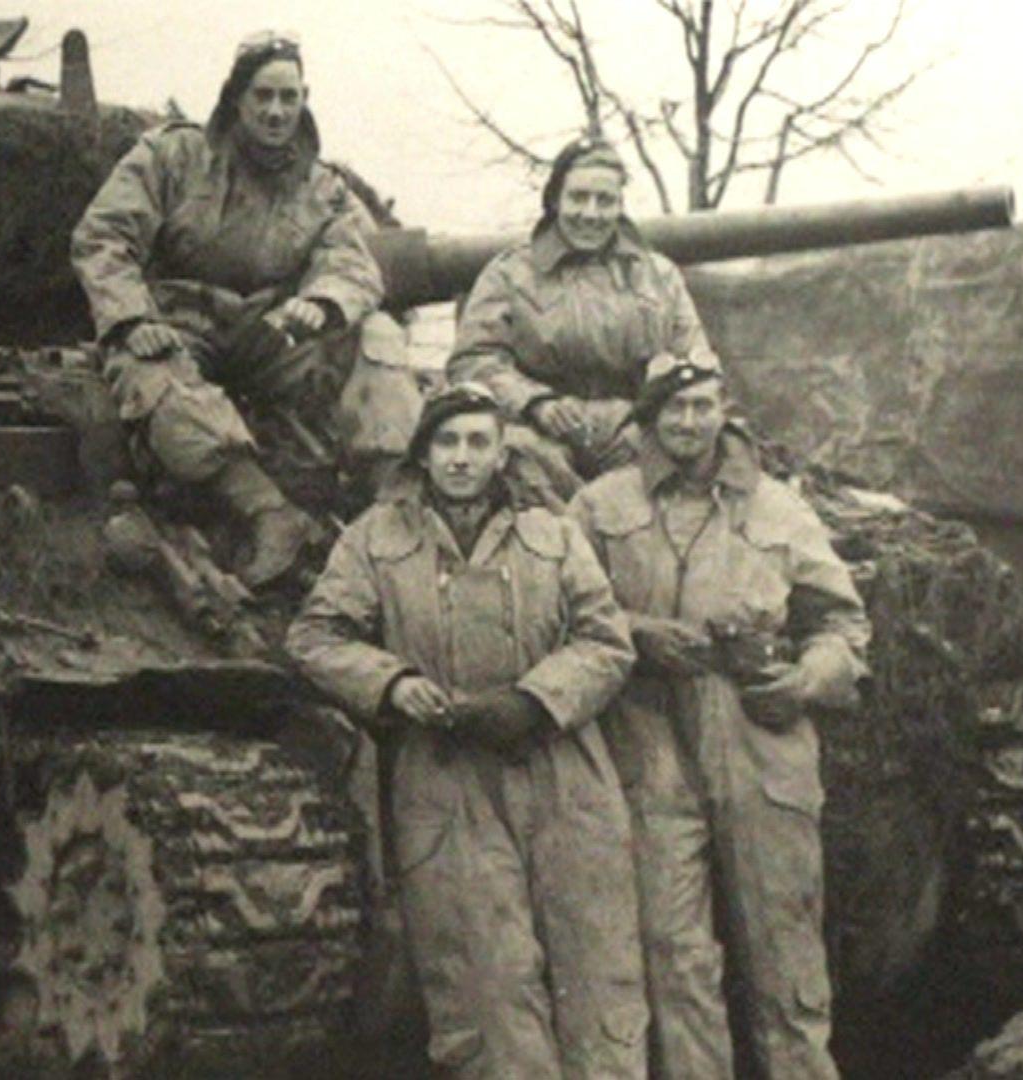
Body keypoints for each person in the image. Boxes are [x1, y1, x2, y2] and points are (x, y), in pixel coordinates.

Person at [286, 384, 648, 1079]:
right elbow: (315, 637)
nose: (461, 458)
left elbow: (609, 642)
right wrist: (392, 683)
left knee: (599, 977)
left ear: (500, 452)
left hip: (563, 772)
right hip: (447, 780)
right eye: (447, 443)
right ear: (423, 453)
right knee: (486, 985)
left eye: (478, 442)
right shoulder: (376, 538)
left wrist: (535, 700)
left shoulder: (553, 534)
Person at [567, 353, 869, 1079]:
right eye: (673, 409)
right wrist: (642, 635)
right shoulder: (599, 508)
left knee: (784, 946)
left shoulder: (777, 508)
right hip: (649, 738)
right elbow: (566, 612)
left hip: (760, 735)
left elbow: (843, 625)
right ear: (648, 417)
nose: (689, 421)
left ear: (723, 409)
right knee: (674, 955)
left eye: (702, 406)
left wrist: (804, 681)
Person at [71, 30, 421, 587]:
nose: (276, 111)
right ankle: (267, 511)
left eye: (289, 97)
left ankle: (400, 506)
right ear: (236, 98)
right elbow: (103, 237)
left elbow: (355, 263)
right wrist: (132, 317)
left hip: (272, 332)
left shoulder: (323, 188)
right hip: (179, 322)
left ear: (305, 98)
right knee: (151, 371)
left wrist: (323, 303)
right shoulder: (172, 156)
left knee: (376, 335)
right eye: (263, 96)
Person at [448, 136, 717, 505]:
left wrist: (649, 416)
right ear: (555, 199)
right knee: (518, 465)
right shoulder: (510, 274)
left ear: (620, 206)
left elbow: (694, 363)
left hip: (635, 432)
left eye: (605, 201)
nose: (590, 214)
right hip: (539, 434)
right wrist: (534, 403)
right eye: (578, 198)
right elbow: (472, 361)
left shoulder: (658, 275)